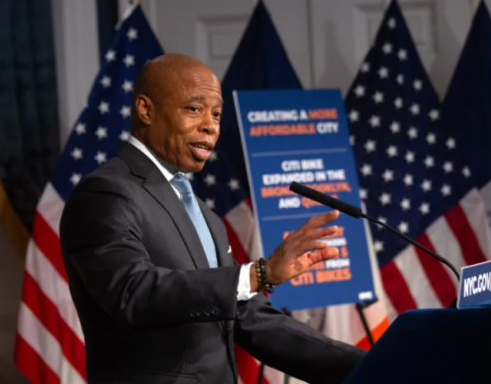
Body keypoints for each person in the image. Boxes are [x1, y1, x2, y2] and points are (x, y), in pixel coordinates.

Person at [60, 53, 366, 384]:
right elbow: (133, 294)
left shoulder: (203, 214)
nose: (210, 125)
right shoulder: (105, 193)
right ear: (146, 110)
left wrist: (374, 365)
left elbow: (247, 320)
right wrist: (257, 274)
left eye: (217, 113)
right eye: (194, 109)